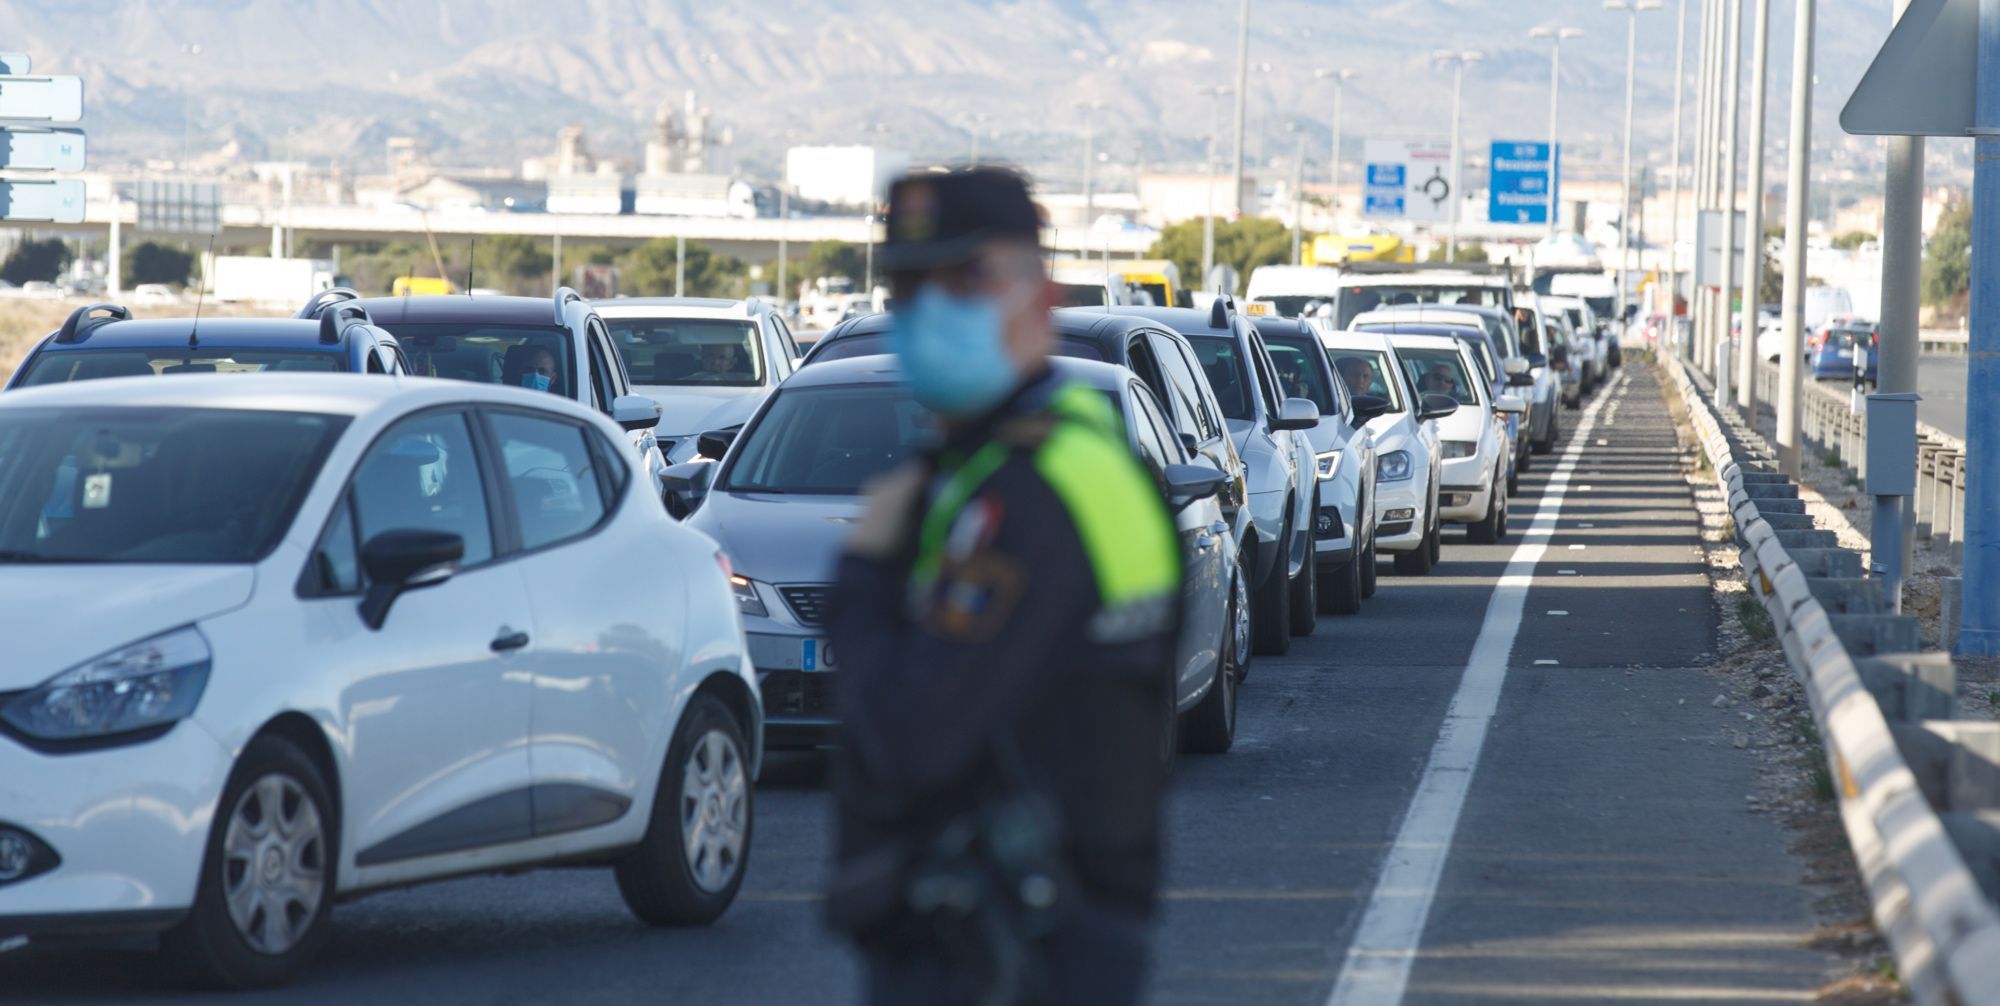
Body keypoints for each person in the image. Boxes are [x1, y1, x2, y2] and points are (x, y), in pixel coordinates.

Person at [823, 167, 1182, 1006]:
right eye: (910, 287)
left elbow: (914, 736)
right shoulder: (1057, 463)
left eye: (965, 280)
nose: (931, 309)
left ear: (1040, 292)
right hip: (1041, 926)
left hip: (1006, 948)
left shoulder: (1030, 494)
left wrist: (866, 573)